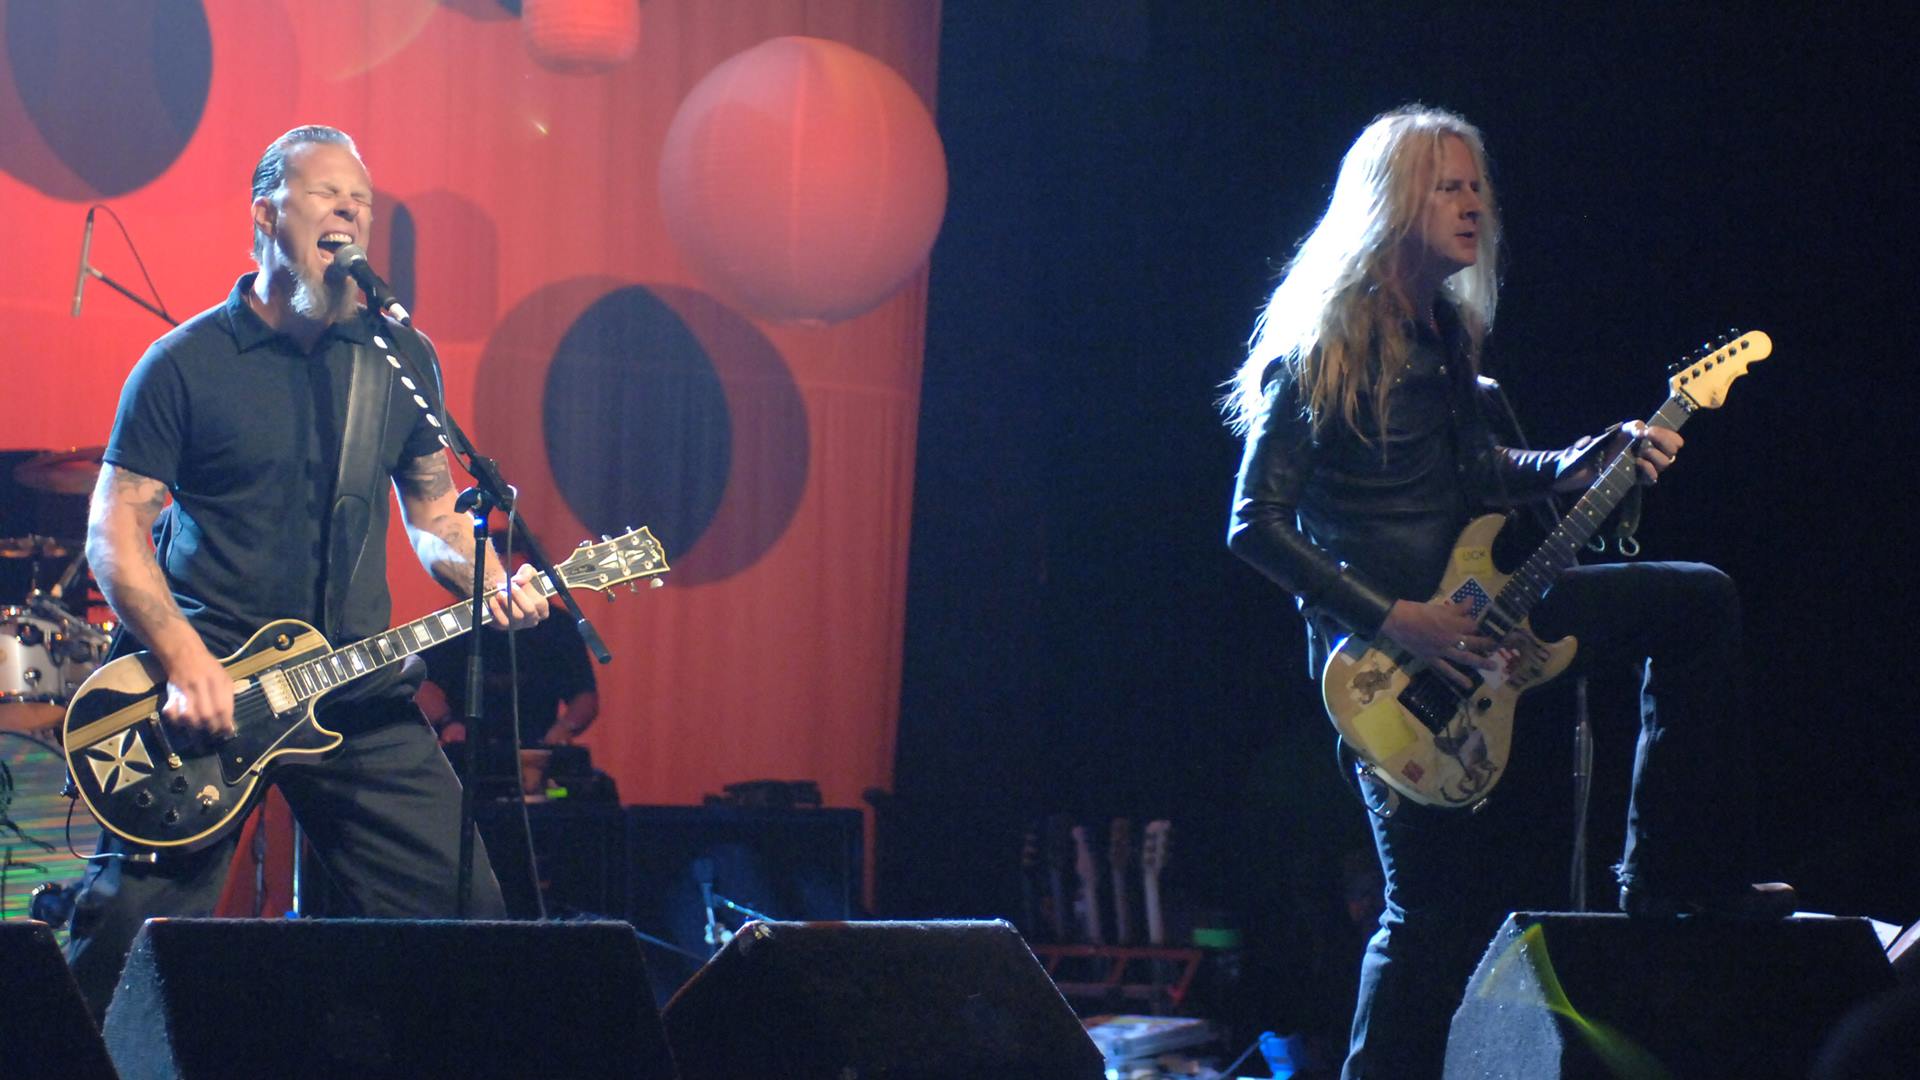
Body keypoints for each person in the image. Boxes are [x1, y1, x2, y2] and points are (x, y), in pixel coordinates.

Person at [1223, 105, 1792, 1079]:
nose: (1475, 205)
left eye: (1478, 186)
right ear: (1392, 201)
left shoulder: (1447, 342)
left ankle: (1671, 877)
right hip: (1390, 670)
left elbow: (1479, 473)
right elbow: (1252, 526)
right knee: (1431, 921)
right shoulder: (1317, 357)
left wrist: (1582, 458)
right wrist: (1400, 619)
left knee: (1696, 601)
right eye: (1449, 185)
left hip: (1486, 623)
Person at [64, 125, 551, 1018]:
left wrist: (487, 574)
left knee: (468, 922)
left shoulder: (400, 360)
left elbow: (437, 516)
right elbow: (115, 532)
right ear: (265, 214)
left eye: (361, 201)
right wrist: (181, 657)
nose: (350, 213)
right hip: (207, 702)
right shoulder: (185, 365)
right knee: (119, 946)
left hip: (352, 689)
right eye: (328, 194)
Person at [416, 529, 599, 754]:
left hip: (535, 752)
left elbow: (584, 694)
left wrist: (565, 727)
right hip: (467, 750)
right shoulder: (456, 623)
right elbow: (423, 686)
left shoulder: (558, 626)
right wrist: (447, 723)